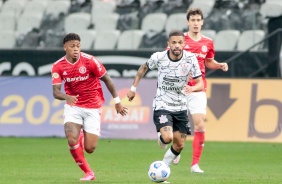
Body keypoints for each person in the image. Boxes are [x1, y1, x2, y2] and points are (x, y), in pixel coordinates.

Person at [51, 33, 128, 181]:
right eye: (72, 46)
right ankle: (88, 172)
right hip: (73, 106)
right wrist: (66, 97)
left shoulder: (90, 61)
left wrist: (117, 101)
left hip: (93, 106)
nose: (76, 49)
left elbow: (107, 79)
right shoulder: (58, 66)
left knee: (90, 148)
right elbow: (55, 91)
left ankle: (81, 138)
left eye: (78, 46)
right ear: (65, 47)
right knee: (71, 138)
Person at [127, 30, 204, 171]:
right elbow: (144, 67)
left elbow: (201, 83)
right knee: (168, 138)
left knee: (179, 144)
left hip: (181, 106)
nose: (177, 45)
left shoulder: (191, 59)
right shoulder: (159, 57)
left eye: (180, 42)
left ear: (184, 44)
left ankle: (163, 168)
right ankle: (162, 138)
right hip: (162, 104)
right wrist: (133, 88)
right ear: (168, 44)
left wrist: (192, 89)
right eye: (173, 42)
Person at [171, 8, 229, 173]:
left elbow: (208, 61)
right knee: (177, 123)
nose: (196, 23)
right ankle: (176, 148)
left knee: (199, 124)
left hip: (198, 88)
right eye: (193, 20)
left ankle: (195, 164)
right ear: (188, 22)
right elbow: (171, 59)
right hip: (180, 88)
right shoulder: (179, 40)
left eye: (198, 20)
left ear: (202, 22)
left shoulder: (208, 42)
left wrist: (218, 65)